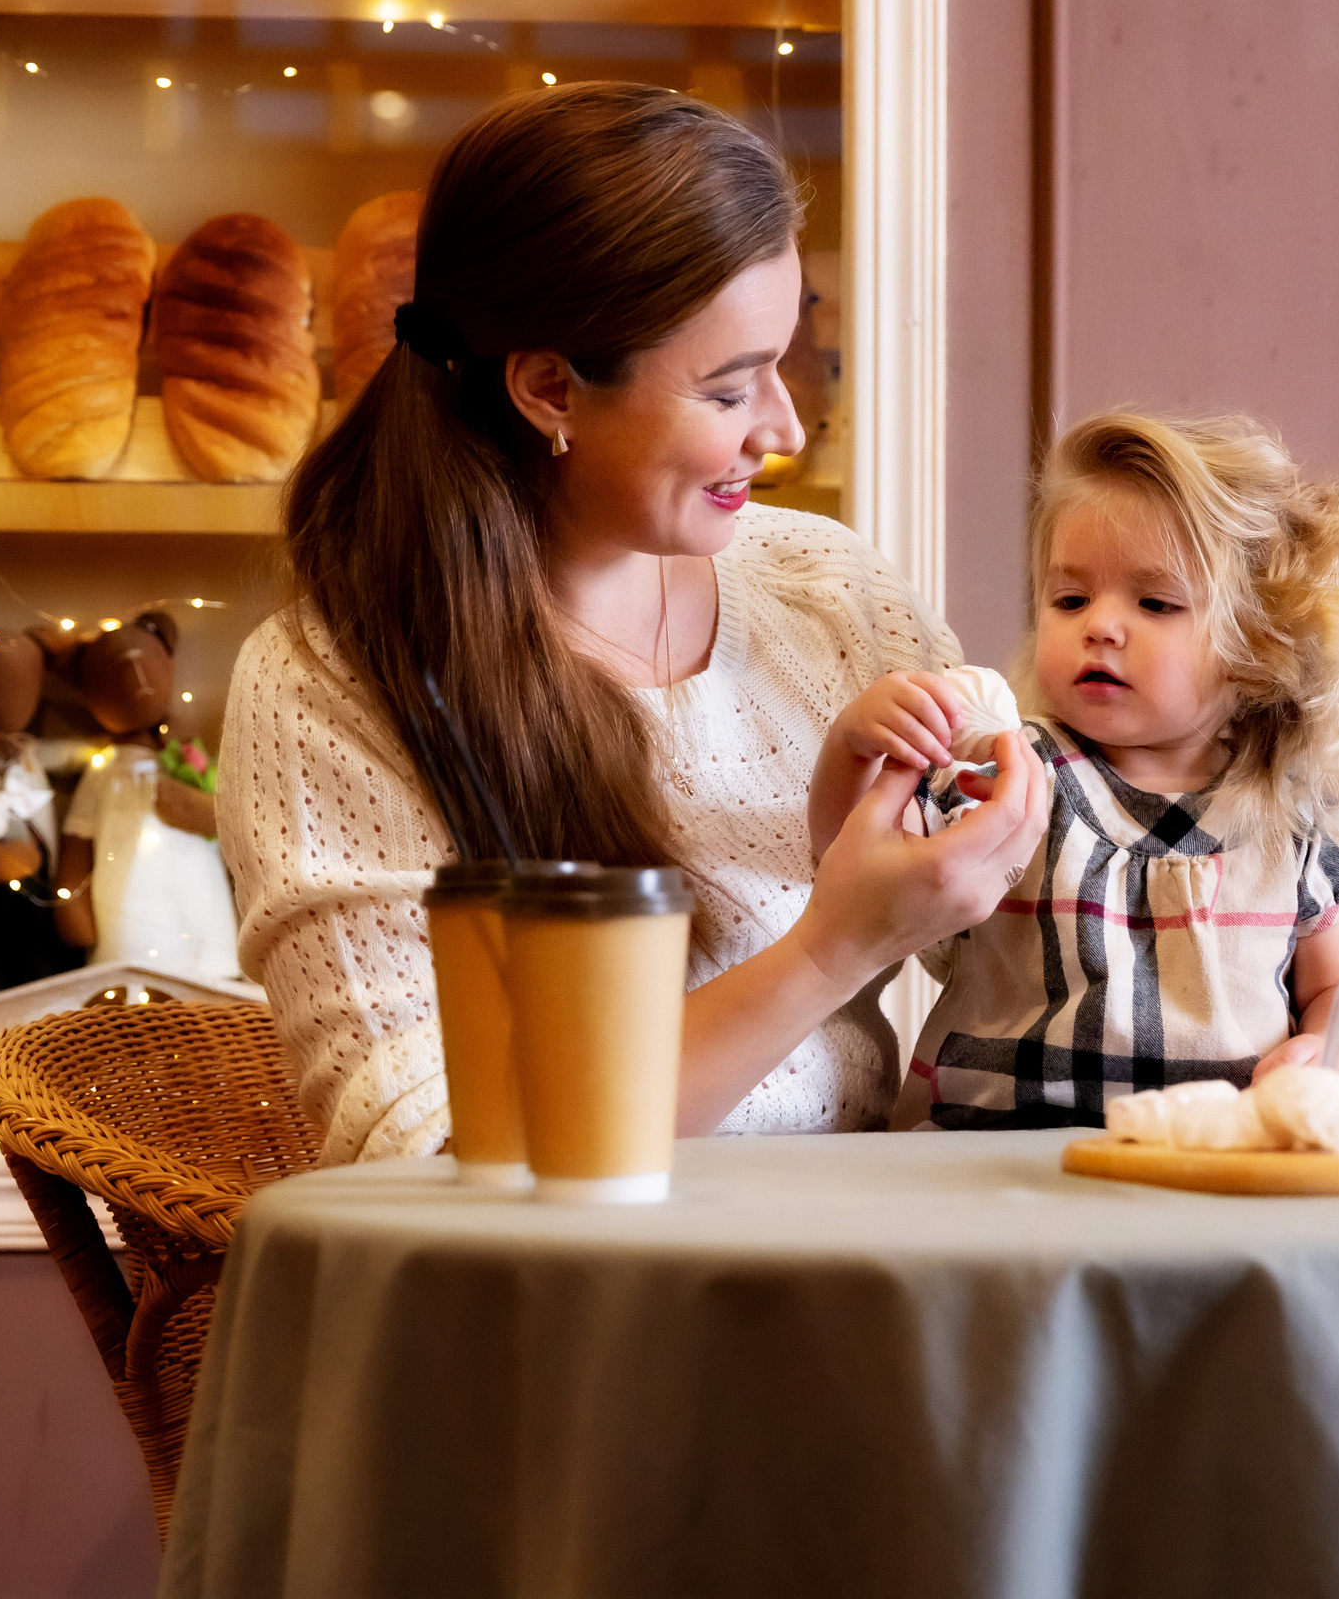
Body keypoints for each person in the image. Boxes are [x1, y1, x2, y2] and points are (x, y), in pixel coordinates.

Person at [217, 82, 1047, 1164]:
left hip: (852, 1272)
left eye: (784, 368)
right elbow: (436, 1148)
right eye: (729, 390)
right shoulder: (329, 683)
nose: (784, 430)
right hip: (557, 1315)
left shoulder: (828, 592)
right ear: (551, 387)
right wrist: (834, 943)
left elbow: (1041, 967)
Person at [806, 410, 1339, 1131]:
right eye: (1070, 599)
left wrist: (1323, 1051)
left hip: (1209, 1160)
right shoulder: (1007, 769)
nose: (1100, 624)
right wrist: (852, 749)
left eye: (1155, 602)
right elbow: (853, 863)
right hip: (983, 1159)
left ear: (1258, 649)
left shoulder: (1295, 816)